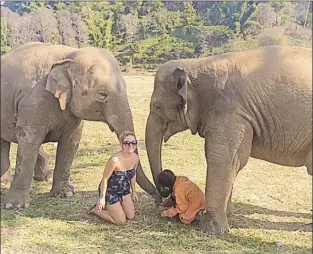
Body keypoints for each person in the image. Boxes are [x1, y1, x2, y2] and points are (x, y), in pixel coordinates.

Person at [91, 131, 139, 225]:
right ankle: (97, 211)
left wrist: (134, 191)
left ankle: (116, 206)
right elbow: (105, 179)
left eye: (133, 143)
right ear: (122, 144)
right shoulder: (114, 160)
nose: (130, 145)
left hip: (124, 189)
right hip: (110, 190)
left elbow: (133, 174)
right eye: (127, 143)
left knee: (131, 216)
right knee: (121, 221)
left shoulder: (135, 158)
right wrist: (102, 198)